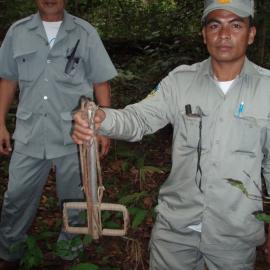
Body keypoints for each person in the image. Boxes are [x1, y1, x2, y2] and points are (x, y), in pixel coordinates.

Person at [72, 0, 270, 269]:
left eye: (236, 25)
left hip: (234, 235)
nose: (224, 35)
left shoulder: (266, 89)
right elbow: (139, 118)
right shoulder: (180, 82)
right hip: (175, 230)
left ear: (251, 34)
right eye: (215, 25)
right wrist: (101, 118)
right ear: (204, 34)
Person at [0, 0, 117, 269]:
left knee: (76, 199)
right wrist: (0, 123)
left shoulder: (85, 33)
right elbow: (8, 79)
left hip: (75, 136)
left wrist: (104, 127)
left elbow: (101, 81)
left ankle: (68, 252)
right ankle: (10, 252)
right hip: (30, 133)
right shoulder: (18, 32)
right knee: (16, 198)